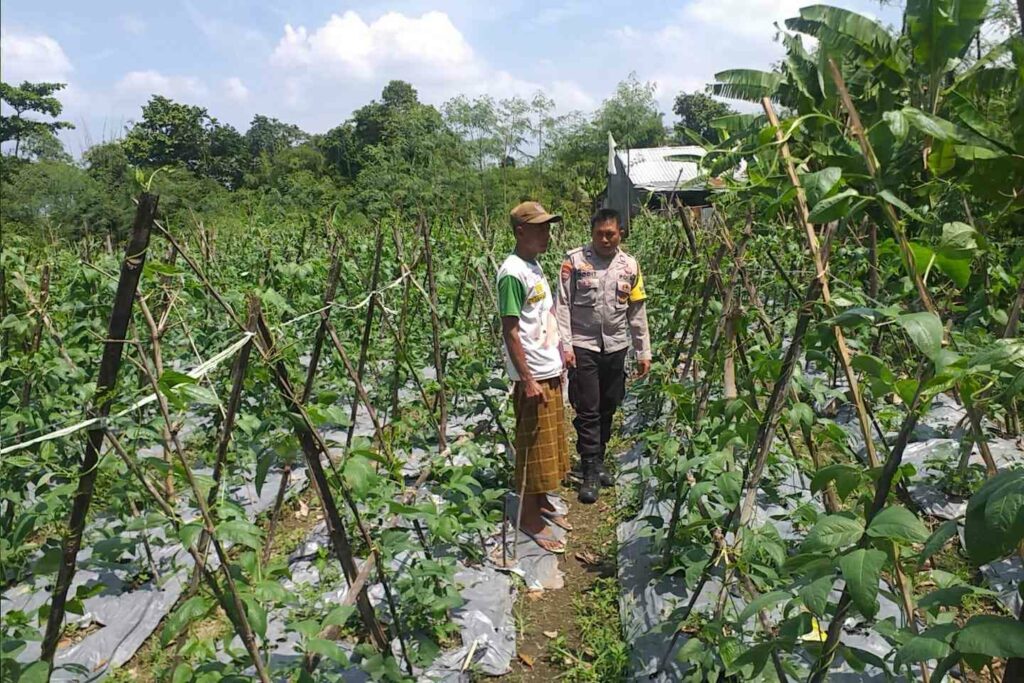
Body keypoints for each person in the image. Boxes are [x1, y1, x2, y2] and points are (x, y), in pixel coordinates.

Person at [556, 208, 651, 504]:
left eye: (611, 233)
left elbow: (636, 311)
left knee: (610, 404)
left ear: (620, 233)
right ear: (592, 233)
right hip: (583, 344)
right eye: (600, 234)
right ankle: (589, 469)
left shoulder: (630, 266)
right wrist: (566, 347)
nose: (605, 239)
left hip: (616, 345)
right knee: (588, 409)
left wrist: (643, 351)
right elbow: (562, 305)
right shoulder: (574, 262)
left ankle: (599, 458)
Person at [498, 201, 572, 553]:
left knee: (547, 444)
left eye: (548, 226)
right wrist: (527, 379)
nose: (547, 233)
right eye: (540, 227)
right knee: (531, 448)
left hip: (548, 367)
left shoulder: (533, 265)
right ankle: (528, 517)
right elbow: (511, 331)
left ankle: (541, 502)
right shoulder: (512, 272)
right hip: (534, 374)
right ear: (520, 231)